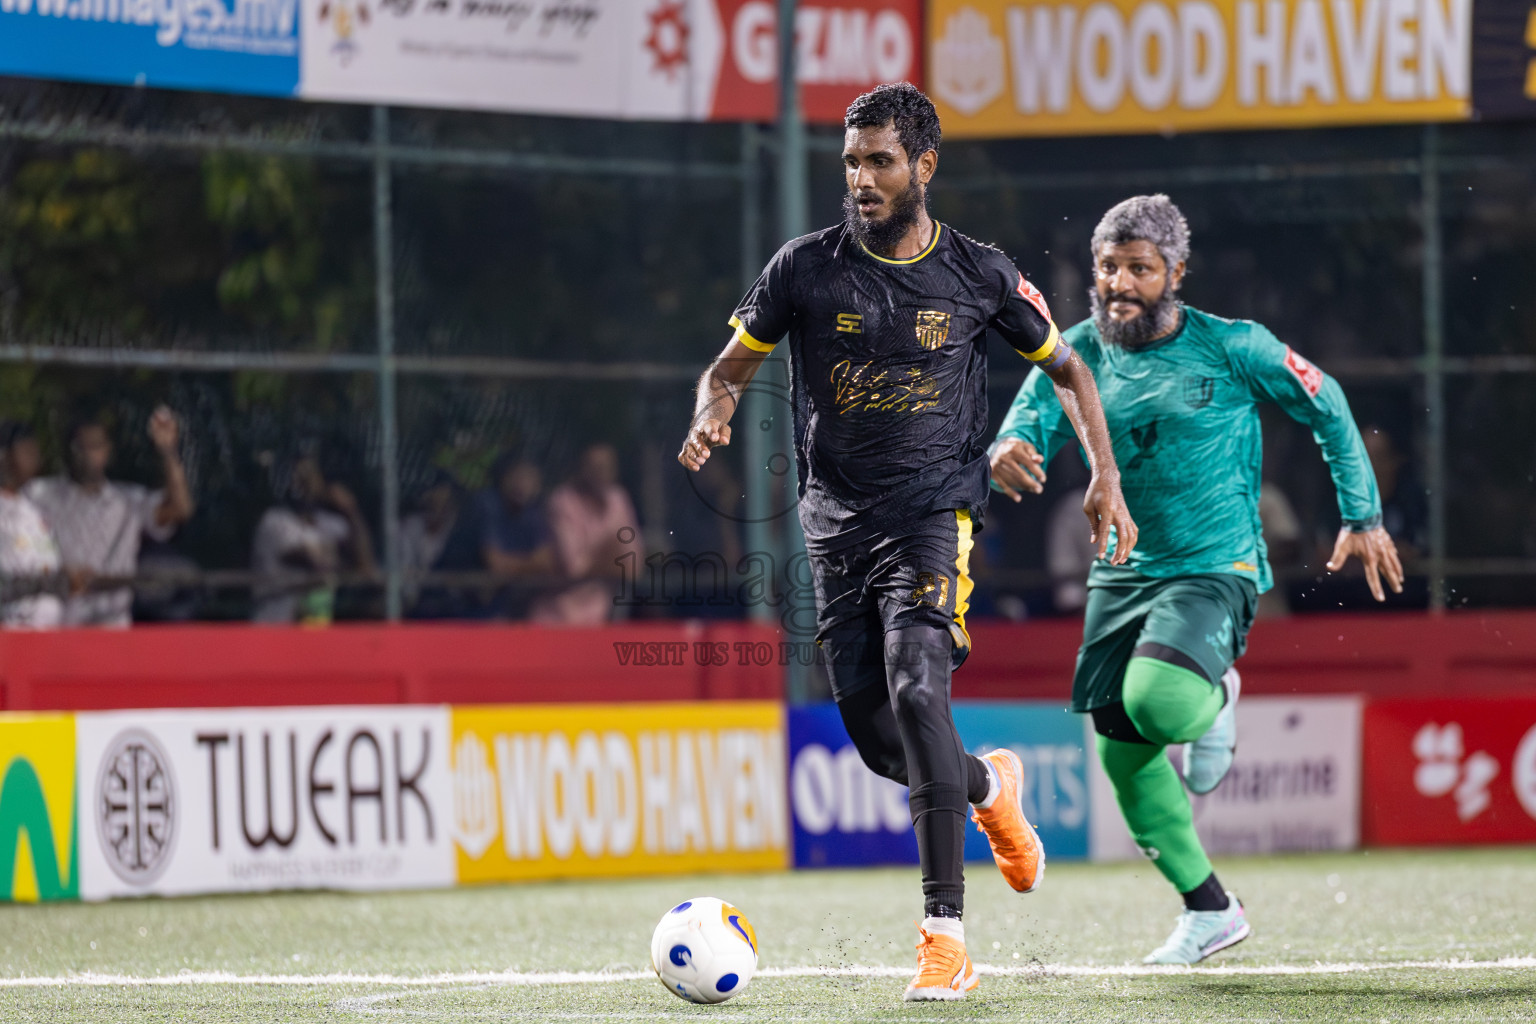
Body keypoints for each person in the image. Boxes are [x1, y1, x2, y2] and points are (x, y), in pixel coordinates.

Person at [678, 84, 1135, 1001]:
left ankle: (944, 938)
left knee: (918, 685)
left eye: (880, 160)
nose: (861, 178)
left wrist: (1104, 474)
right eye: (851, 161)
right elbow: (728, 368)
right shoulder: (803, 269)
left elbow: (1072, 369)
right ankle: (988, 788)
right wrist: (711, 409)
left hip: (933, 519)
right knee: (884, 744)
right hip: (834, 529)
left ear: (924, 165)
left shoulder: (979, 273)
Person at [990, 194, 1402, 966]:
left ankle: (1217, 698)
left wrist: (1362, 515)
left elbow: (1327, 402)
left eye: (1139, 269)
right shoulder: (1073, 354)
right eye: (1108, 267)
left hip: (1216, 565)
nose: (1119, 283)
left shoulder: (1233, 347)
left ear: (1175, 272)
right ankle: (1210, 909)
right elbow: (1024, 425)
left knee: (1160, 702)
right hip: (1120, 574)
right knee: (1121, 753)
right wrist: (1005, 449)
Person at [25, 409, 195, 627]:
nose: (86, 454)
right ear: (66, 450)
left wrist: (168, 451)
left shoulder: (129, 501)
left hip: (111, 629)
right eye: (79, 446)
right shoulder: (39, 495)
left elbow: (181, 509)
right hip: (55, 627)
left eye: (94, 446)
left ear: (108, 451)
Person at [250, 450, 376, 624]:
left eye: (309, 475)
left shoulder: (328, 522)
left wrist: (351, 511)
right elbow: (315, 563)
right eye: (296, 475)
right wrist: (345, 563)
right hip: (275, 625)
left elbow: (365, 565)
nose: (302, 483)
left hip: (314, 630)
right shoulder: (274, 521)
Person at [533, 443, 642, 626]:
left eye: (606, 467)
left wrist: (598, 558)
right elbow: (574, 568)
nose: (600, 472)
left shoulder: (619, 499)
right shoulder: (562, 501)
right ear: (581, 468)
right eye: (594, 466)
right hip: (557, 619)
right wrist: (611, 554)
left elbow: (634, 567)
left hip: (602, 618)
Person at [0, 423, 63, 629]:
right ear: (4, 456)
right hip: (11, 635)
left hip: (46, 636)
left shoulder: (36, 509)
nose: (35, 457)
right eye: (26, 451)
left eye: (35, 450)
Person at [477, 455, 556, 620]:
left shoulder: (534, 514)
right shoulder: (487, 503)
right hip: (456, 602)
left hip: (501, 606)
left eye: (530, 478)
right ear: (504, 479)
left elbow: (546, 563)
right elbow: (496, 565)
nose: (522, 484)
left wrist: (513, 565)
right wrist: (531, 564)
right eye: (518, 476)